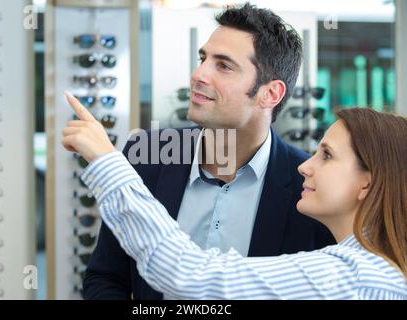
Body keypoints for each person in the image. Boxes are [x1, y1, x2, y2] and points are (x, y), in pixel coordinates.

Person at [81, 3, 335, 300]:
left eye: (224, 66)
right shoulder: (147, 154)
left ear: (270, 93)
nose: (198, 75)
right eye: (203, 58)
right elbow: (105, 277)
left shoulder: (310, 187)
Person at [63, 95, 407, 300]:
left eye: (327, 156)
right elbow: (105, 276)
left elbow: (190, 274)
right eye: (203, 58)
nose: (307, 167)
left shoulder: (352, 275)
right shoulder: (367, 265)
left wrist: (108, 163)